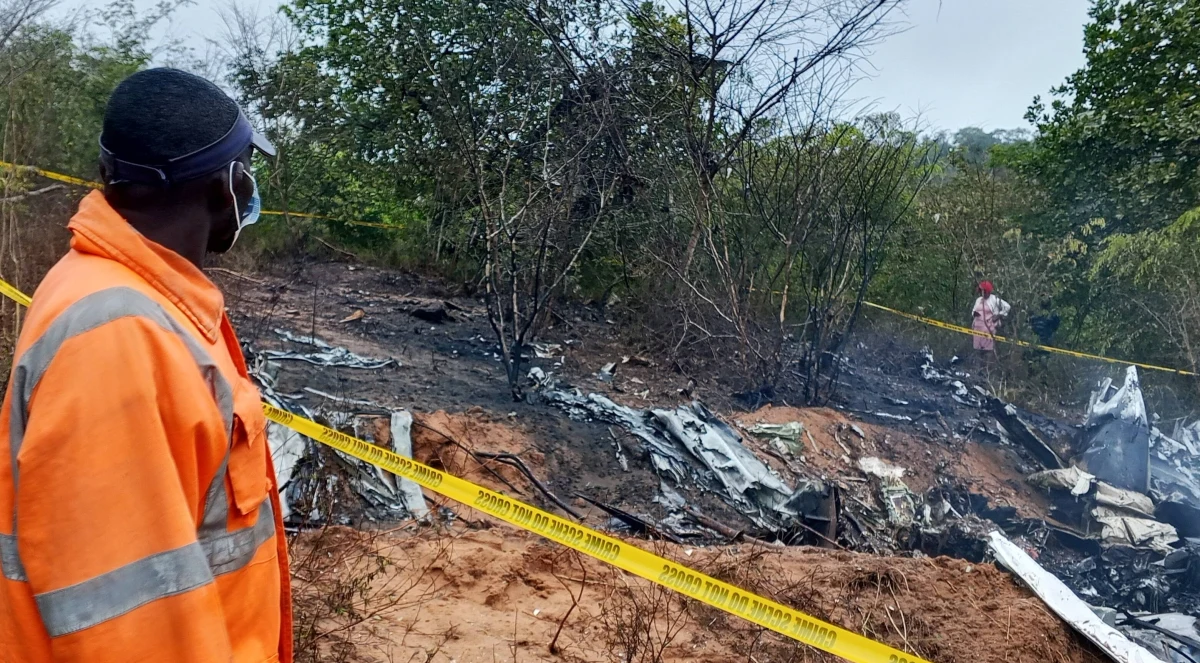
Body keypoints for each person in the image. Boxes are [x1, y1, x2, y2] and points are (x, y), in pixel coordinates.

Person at [0, 69, 291, 661]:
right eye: (247, 173)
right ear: (223, 187)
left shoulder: (140, 296)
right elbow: (127, 617)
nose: (251, 188)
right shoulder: (118, 336)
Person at [971, 281, 1011, 352]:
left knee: (988, 351)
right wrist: (974, 313)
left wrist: (999, 315)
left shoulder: (994, 299)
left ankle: (988, 362)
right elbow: (973, 311)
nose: (983, 294)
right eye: (981, 292)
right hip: (977, 329)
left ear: (988, 292)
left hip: (988, 328)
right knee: (978, 350)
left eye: (985, 292)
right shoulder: (979, 300)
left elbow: (1007, 307)